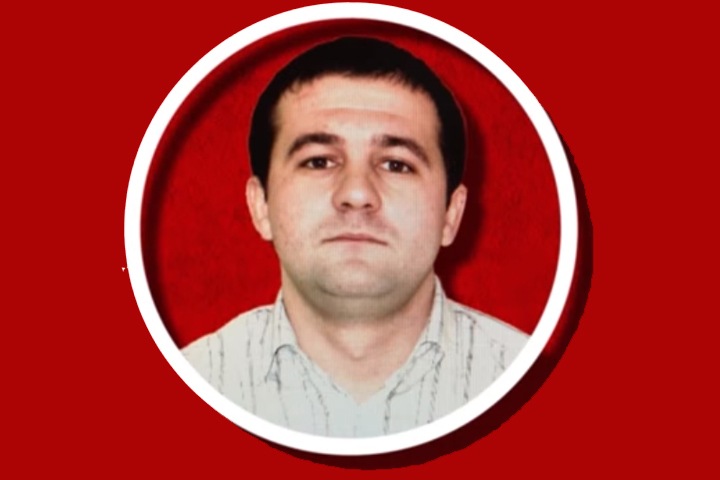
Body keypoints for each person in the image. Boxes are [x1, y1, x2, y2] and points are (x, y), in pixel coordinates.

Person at [182, 36, 528, 437]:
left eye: (396, 164)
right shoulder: (191, 381)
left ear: (451, 214)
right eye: (319, 161)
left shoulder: (529, 381)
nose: (357, 193)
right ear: (261, 206)